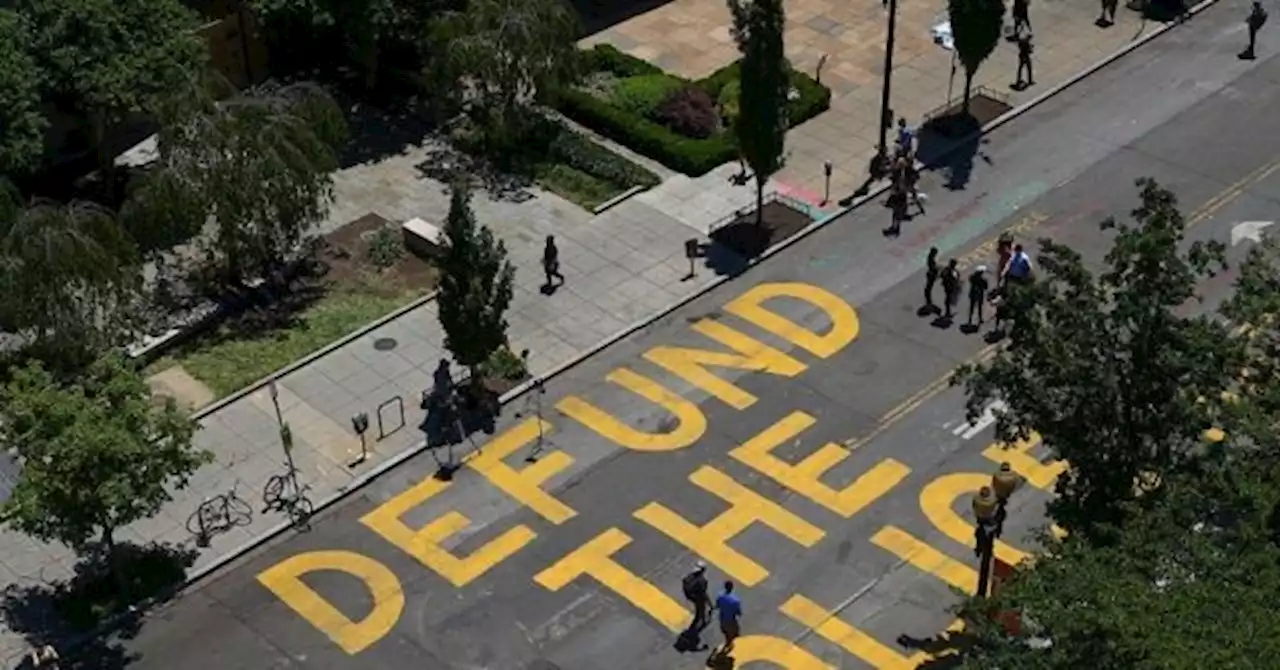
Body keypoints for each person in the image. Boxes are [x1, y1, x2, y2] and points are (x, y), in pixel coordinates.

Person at [991, 462, 1022, 536]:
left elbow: (993, 483)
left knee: (998, 505)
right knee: (1001, 505)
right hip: (1006, 493)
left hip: (998, 493)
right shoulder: (1013, 476)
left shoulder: (997, 475)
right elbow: (1016, 485)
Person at [682, 561, 712, 632]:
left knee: (700, 608)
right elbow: (704, 593)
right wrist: (710, 603)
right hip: (698, 597)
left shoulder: (690, 577)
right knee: (701, 609)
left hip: (691, 596)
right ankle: (702, 621)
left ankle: (702, 618)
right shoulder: (702, 581)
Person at [715, 581, 743, 654]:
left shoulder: (720, 596)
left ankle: (727, 641)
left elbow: (717, 606)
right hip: (731, 620)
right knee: (734, 632)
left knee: (725, 631)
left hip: (722, 618)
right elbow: (738, 612)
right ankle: (729, 643)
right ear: (732, 588)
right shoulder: (735, 601)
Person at [971, 486, 1000, 557]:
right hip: (989, 519)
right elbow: (996, 508)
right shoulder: (992, 501)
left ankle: (978, 549)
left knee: (980, 534)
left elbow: (973, 505)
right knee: (990, 536)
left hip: (980, 518)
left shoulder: (976, 499)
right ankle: (989, 550)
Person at [924, 247, 940, 312]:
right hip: (931, 275)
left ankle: (929, 302)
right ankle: (929, 303)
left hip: (931, 274)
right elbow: (932, 267)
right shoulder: (930, 260)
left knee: (928, 288)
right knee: (928, 288)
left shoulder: (930, 258)